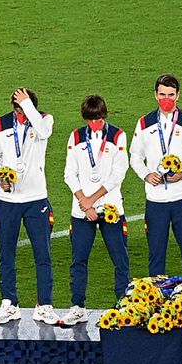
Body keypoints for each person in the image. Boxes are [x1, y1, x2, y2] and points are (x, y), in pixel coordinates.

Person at [0, 87, 57, 325]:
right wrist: (0, 176)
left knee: (43, 254)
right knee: (6, 254)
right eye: (18, 111)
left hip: (36, 198)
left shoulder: (43, 120)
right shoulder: (0, 124)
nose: (21, 116)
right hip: (8, 201)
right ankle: (9, 304)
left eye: (25, 110)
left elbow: (44, 132)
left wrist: (28, 106)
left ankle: (44, 305)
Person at [132, 73, 182, 279]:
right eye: (162, 94)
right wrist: (146, 174)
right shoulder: (144, 123)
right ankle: (157, 305)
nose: (166, 99)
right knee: (156, 256)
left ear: (178, 95)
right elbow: (134, 156)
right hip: (155, 201)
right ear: (155, 95)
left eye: (170, 94)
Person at [62, 94, 130, 327]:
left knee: (120, 260)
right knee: (78, 260)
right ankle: (77, 308)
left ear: (104, 115)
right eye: (90, 120)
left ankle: (123, 307)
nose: (94, 124)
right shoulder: (76, 136)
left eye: (98, 119)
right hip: (82, 211)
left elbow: (118, 174)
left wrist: (92, 200)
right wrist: (84, 201)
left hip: (111, 207)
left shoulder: (118, 136)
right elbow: (69, 173)